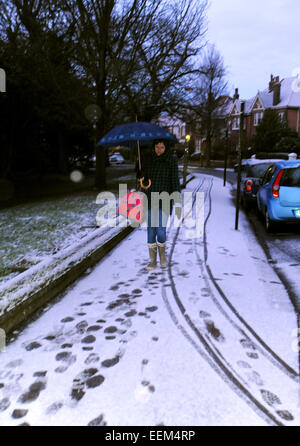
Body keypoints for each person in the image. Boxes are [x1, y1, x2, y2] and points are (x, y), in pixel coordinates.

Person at [137, 139, 182, 270]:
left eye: (162, 147)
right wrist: (140, 175)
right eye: (157, 147)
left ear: (165, 148)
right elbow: (142, 179)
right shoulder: (148, 160)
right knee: (151, 229)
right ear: (154, 147)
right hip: (150, 199)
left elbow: (175, 181)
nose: (159, 150)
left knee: (160, 230)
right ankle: (152, 261)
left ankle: (162, 256)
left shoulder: (171, 161)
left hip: (165, 199)